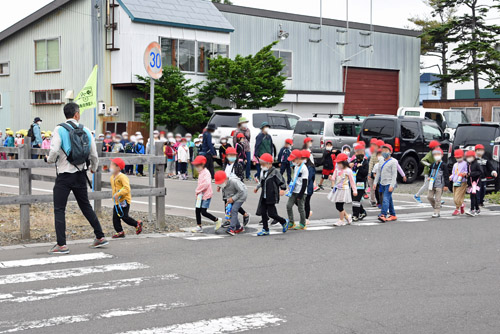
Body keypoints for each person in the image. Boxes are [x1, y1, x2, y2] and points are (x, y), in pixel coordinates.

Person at [46, 102, 108, 254]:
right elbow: (94, 154)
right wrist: (93, 168)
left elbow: (53, 151)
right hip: (81, 174)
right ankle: (100, 236)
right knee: (86, 206)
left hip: (64, 175)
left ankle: (62, 245)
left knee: (60, 209)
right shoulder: (86, 130)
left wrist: (49, 160)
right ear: (76, 114)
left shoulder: (59, 129)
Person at [254, 153, 289, 236]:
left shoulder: (275, 172)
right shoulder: (264, 171)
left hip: (271, 195)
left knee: (271, 213)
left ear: (269, 163)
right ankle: (265, 229)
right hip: (264, 195)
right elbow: (262, 181)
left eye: (263, 164)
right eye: (261, 164)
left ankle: (283, 221)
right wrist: (257, 187)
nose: (261, 166)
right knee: (263, 212)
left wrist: (283, 189)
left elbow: (282, 181)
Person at [109, 158, 143, 238]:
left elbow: (127, 188)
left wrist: (119, 194)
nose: (110, 166)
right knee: (115, 217)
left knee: (124, 216)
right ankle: (120, 231)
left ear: (118, 168)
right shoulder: (112, 177)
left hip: (124, 201)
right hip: (117, 201)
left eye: (112, 165)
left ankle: (136, 224)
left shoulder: (122, 177)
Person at [192, 155, 222, 233]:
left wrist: (198, 190)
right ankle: (199, 226)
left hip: (206, 195)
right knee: (197, 210)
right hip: (200, 194)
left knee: (203, 212)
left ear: (202, 164)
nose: (196, 167)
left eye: (197, 165)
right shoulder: (200, 172)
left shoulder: (206, 173)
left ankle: (217, 220)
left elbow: (206, 184)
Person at [214, 171, 248, 236]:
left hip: (242, 195)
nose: (220, 184)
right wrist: (228, 201)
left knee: (234, 210)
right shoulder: (224, 184)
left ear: (226, 179)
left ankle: (232, 228)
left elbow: (242, 191)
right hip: (234, 195)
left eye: (221, 183)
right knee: (232, 209)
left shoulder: (234, 182)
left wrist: (233, 199)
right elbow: (227, 194)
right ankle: (238, 227)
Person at [328, 153, 357, 226]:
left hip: (344, 190)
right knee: (338, 205)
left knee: (339, 205)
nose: (338, 164)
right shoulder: (337, 169)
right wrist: (331, 178)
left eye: (339, 163)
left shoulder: (348, 171)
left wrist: (354, 190)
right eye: (337, 163)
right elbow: (334, 178)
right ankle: (347, 216)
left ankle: (341, 220)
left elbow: (352, 182)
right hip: (337, 189)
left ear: (344, 162)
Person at [373, 143, 398, 222]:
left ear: (390, 152)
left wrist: (392, 185)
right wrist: (375, 182)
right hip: (382, 183)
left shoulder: (394, 161)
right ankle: (393, 214)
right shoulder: (381, 160)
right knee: (389, 198)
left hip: (390, 183)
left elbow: (394, 174)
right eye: (383, 150)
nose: (384, 152)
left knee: (385, 198)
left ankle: (383, 214)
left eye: (386, 150)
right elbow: (378, 172)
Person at [286, 149, 308, 230]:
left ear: (299, 159)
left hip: (301, 191)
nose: (292, 161)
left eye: (294, 160)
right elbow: (295, 178)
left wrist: (301, 194)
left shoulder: (304, 168)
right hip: (294, 190)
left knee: (300, 208)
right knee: (288, 206)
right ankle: (291, 222)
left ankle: (303, 223)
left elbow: (305, 183)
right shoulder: (295, 167)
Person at [426, 148, 450, 218]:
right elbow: (430, 172)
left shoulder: (443, 165)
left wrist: (446, 185)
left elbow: (446, 175)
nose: (436, 156)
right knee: (429, 197)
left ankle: (437, 211)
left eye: (438, 154)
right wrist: (429, 177)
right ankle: (436, 206)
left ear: (442, 155)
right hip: (432, 184)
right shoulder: (432, 165)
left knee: (438, 199)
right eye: (435, 155)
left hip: (440, 184)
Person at [351, 142, 369, 221]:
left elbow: (365, 173)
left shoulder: (365, 162)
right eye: (356, 152)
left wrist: (360, 167)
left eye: (360, 152)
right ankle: (362, 211)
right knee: (354, 199)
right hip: (353, 182)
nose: (358, 153)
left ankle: (355, 215)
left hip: (361, 183)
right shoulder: (354, 161)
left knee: (356, 199)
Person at [450, 149, 468, 216]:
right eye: (457, 157)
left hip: (462, 182)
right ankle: (461, 204)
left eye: (459, 157)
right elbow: (453, 173)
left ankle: (457, 209)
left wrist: (465, 173)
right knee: (455, 197)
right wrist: (451, 177)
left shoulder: (465, 163)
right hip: (455, 182)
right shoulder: (455, 165)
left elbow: (467, 171)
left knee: (458, 196)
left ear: (463, 156)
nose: (458, 158)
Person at [465, 150, 482, 216]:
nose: (468, 158)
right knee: (473, 196)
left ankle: (472, 209)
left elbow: (480, 172)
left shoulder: (476, 164)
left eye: (470, 156)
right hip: (470, 183)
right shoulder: (468, 164)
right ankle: (477, 208)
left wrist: (470, 174)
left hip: (476, 182)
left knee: (473, 195)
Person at [301, 149, 316, 225]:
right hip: (302, 187)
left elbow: (309, 177)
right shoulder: (302, 165)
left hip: (308, 187)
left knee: (306, 202)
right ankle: (307, 213)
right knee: (300, 202)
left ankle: (306, 218)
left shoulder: (311, 167)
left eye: (303, 158)